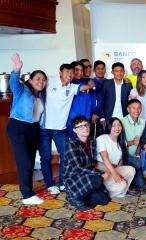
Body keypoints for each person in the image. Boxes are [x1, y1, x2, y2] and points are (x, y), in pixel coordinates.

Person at [39, 63, 94, 194]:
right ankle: (50, 184)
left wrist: (91, 84)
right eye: (66, 72)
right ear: (60, 72)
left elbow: (84, 87)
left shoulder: (72, 87)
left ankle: (62, 182)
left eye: (71, 73)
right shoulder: (50, 80)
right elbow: (37, 82)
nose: (69, 75)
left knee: (66, 156)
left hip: (61, 129)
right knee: (45, 157)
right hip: (44, 128)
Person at [6, 54, 46, 205]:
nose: (41, 82)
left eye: (43, 80)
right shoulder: (22, 90)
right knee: (26, 161)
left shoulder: (40, 96)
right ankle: (27, 195)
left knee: (29, 160)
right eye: (38, 79)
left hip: (32, 128)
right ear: (30, 80)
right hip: (18, 126)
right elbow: (14, 84)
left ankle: (27, 189)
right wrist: (16, 70)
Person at [63, 116, 110, 210]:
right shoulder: (71, 145)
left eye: (86, 125)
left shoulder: (92, 141)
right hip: (74, 178)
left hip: (87, 175)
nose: (85, 128)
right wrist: (100, 173)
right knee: (98, 179)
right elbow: (77, 168)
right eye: (80, 126)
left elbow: (92, 163)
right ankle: (73, 196)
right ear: (75, 130)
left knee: (104, 200)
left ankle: (84, 196)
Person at [96, 118, 135, 198]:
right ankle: (104, 194)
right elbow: (105, 158)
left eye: (119, 125)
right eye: (114, 126)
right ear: (109, 127)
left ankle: (121, 192)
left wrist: (119, 175)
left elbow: (120, 163)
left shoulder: (122, 142)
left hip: (113, 168)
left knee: (131, 170)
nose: (117, 128)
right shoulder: (102, 138)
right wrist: (115, 174)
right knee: (122, 185)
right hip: (102, 170)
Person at [121, 99, 145, 191]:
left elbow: (141, 141)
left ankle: (133, 174)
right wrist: (132, 142)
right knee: (138, 163)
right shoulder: (121, 122)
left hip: (135, 156)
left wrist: (138, 154)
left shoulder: (143, 122)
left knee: (140, 185)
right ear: (128, 109)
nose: (137, 110)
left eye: (139, 108)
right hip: (124, 156)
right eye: (133, 108)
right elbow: (117, 144)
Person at [100, 62, 132, 131]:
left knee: (123, 138)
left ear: (124, 72)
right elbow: (102, 101)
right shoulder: (106, 84)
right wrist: (102, 117)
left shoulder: (128, 85)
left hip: (124, 117)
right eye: (116, 71)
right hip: (109, 117)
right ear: (112, 72)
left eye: (121, 71)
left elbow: (131, 102)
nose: (119, 73)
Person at [67, 61, 95, 139]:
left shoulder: (84, 85)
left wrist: (87, 119)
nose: (80, 72)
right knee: (75, 145)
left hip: (85, 121)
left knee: (85, 145)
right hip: (73, 122)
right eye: (77, 70)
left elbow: (88, 104)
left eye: (81, 70)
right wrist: (77, 121)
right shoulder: (67, 85)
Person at [91, 60, 108, 138]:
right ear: (94, 70)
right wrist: (101, 117)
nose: (101, 71)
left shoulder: (110, 82)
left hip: (108, 117)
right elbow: (96, 101)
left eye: (102, 68)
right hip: (94, 116)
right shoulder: (90, 83)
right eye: (98, 69)